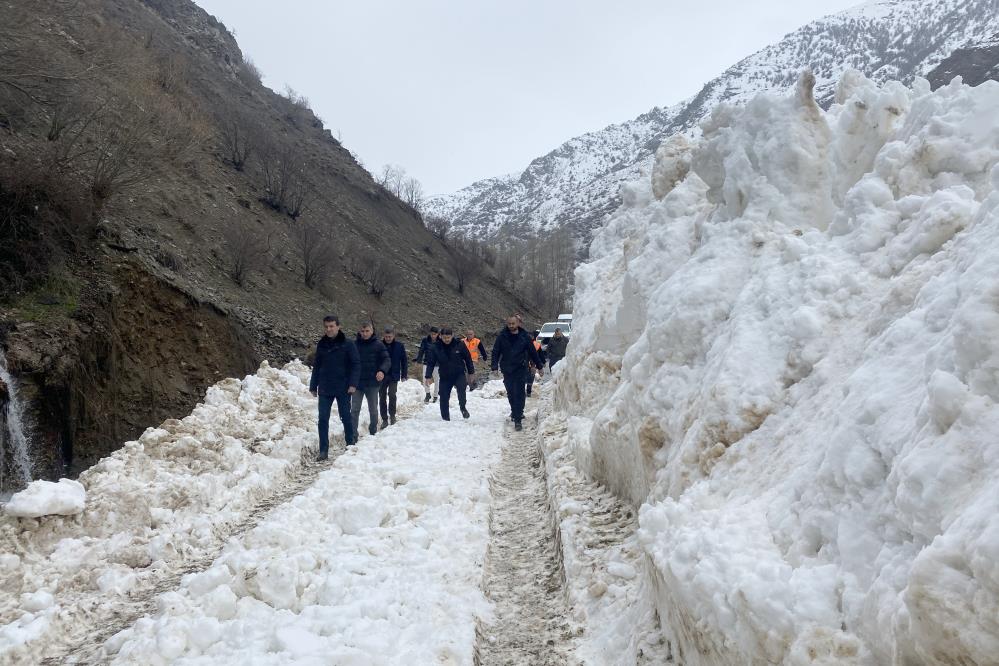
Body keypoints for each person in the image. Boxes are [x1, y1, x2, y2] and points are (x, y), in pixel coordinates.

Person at [309, 315, 360, 460]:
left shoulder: (348, 344)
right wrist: (313, 385)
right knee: (323, 419)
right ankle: (323, 450)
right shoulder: (322, 344)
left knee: (345, 416)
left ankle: (350, 443)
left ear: (338, 326)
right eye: (326, 326)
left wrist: (353, 384)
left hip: (343, 386)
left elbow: (356, 364)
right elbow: (317, 365)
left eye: (331, 326)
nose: (328, 329)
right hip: (325, 386)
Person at [491, 315, 543, 431]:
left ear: (518, 323)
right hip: (507, 369)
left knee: (519, 393)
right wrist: (494, 366)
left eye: (513, 324)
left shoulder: (524, 337)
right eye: (509, 324)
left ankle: (518, 419)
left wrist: (539, 366)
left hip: (521, 368)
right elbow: (495, 352)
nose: (511, 326)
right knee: (511, 393)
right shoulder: (502, 336)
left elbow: (533, 352)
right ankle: (515, 412)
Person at [351, 321, 390, 442]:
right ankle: (353, 435)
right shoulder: (354, 344)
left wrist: (382, 371)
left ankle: (373, 430)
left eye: (367, 331)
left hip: (373, 383)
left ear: (372, 331)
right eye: (362, 331)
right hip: (357, 383)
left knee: (373, 409)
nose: (365, 333)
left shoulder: (379, 345)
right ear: (359, 332)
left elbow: (387, 360)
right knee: (354, 410)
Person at [426, 327, 475, 421]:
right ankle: (445, 418)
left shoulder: (459, 344)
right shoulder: (436, 347)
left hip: (459, 374)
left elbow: (468, 358)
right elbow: (430, 362)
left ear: (452, 335)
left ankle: (463, 408)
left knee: (461, 392)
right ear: (440, 336)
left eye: (448, 337)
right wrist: (428, 376)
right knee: (444, 396)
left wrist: (471, 373)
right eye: (444, 338)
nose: (447, 340)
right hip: (445, 376)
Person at [379, 326, 408, 429]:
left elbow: (404, 361)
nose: (388, 338)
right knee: (382, 397)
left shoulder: (399, 346)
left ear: (393, 336)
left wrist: (404, 375)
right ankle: (384, 419)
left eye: (390, 336)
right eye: (386, 337)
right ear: (384, 336)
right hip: (382, 375)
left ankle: (392, 415)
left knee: (392, 395)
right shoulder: (380, 345)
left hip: (394, 375)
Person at [414, 326, 441, 403]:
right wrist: (419, 361)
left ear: (437, 334)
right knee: (425, 379)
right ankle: (427, 394)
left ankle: (435, 395)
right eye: (432, 334)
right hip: (427, 362)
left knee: (437, 380)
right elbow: (421, 350)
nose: (433, 336)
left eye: (435, 334)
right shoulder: (425, 340)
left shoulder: (440, 341)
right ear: (430, 333)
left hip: (437, 364)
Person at [525, 330, 546, 397]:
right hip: (529, 364)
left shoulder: (524, 343)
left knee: (529, 378)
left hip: (530, 364)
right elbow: (540, 355)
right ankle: (527, 392)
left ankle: (528, 392)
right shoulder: (535, 344)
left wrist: (543, 362)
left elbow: (540, 354)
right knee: (529, 378)